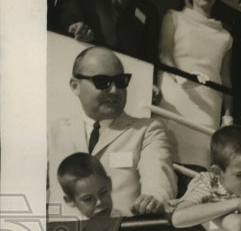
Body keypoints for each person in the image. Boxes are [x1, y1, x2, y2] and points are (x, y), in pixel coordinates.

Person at [48, 46, 177, 215]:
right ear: (75, 86)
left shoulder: (147, 131)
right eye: (103, 82)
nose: (115, 90)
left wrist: (154, 200)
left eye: (121, 81)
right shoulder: (53, 132)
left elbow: (159, 184)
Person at [156, 0, 234, 168]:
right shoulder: (174, 17)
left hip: (208, 105)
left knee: (198, 167)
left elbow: (225, 79)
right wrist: (182, 77)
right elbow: (164, 54)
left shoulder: (225, 35)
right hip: (177, 96)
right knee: (165, 160)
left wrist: (228, 114)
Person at [171, 125, 241, 231]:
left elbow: (236, 225)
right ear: (217, 172)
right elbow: (178, 218)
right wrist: (238, 203)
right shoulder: (208, 181)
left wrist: (203, 211)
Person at [55, 153, 121, 219]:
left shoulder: (127, 221)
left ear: (109, 184)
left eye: (103, 192)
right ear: (70, 200)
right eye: (88, 199)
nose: (99, 202)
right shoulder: (73, 228)